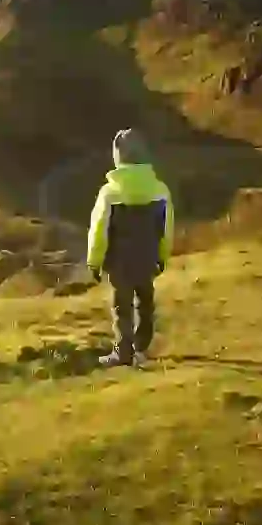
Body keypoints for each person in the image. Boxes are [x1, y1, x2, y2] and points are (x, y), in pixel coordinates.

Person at [85, 129, 174, 367]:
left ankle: (123, 352)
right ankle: (142, 345)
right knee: (145, 301)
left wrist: (94, 261)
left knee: (122, 307)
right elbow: (166, 228)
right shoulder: (160, 190)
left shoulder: (110, 193)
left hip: (119, 263)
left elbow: (99, 230)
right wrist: (162, 256)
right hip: (147, 260)